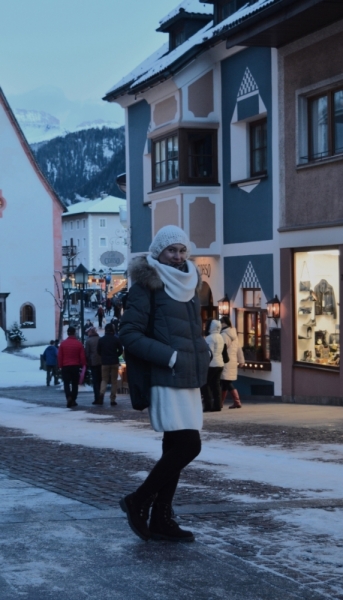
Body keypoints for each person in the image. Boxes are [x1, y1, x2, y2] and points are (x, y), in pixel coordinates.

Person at [118, 225, 210, 543]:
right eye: (172, 250)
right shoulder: (147, 285)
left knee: (175, 447)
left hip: (188, 377)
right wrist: (169, 356)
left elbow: (191, 332)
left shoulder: (189, 284)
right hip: (166, 377)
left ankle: (161, 518)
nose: (178, 256)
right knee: (189, 445)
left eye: (182, 250)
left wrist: (204, 349)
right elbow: (128, 334)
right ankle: (138, 501)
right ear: (158, 252)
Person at [58, 326, 86, 409]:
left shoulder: (63, 343)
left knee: (66, 383)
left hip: (65, 366)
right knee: (74, 384)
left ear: (67, 333)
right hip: (75, 366)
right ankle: (73, 399)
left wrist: (60, 366)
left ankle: (68, 397)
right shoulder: (78, 343)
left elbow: (60, 356)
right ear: (74, 333)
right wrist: (84, 365)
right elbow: (82, 356)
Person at [220, 316, 245, 409]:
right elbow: (239, 349)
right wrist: (241, 361)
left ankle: (236, 401)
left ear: (223, 323)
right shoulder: (234, 334)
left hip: (225, 361)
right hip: (233, 362)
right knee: (225, 382)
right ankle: (222, 402)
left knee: (226, 382)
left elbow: (222, 349)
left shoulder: (224, 335)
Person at [97, 323, 123, 406]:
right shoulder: (116, 339)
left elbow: (98, 351)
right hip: (114, 362)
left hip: (105, 362)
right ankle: (112, 399)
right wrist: (116, 355)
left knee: (104, 380)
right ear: (112, 330)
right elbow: (121, 350)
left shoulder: (101, 340)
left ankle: (101, 394)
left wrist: (103, 356)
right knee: (114, 381)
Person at [202, 320, 224, 412]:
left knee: (205, 384)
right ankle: (217, 405)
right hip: (220, 363)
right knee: (216, 385)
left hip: (211, 364)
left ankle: (208, 405)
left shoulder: (210, 338)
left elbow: (209, 352)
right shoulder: (220, 337)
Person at [85, 327, 102, 405]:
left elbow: (87, 353)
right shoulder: (100, 339)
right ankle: (101, 397)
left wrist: (87, 362)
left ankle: (97, 398)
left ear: (90, 333)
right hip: (101, 362)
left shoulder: (88, 341)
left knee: (95, 381)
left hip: (93, 363)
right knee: (101, 380)